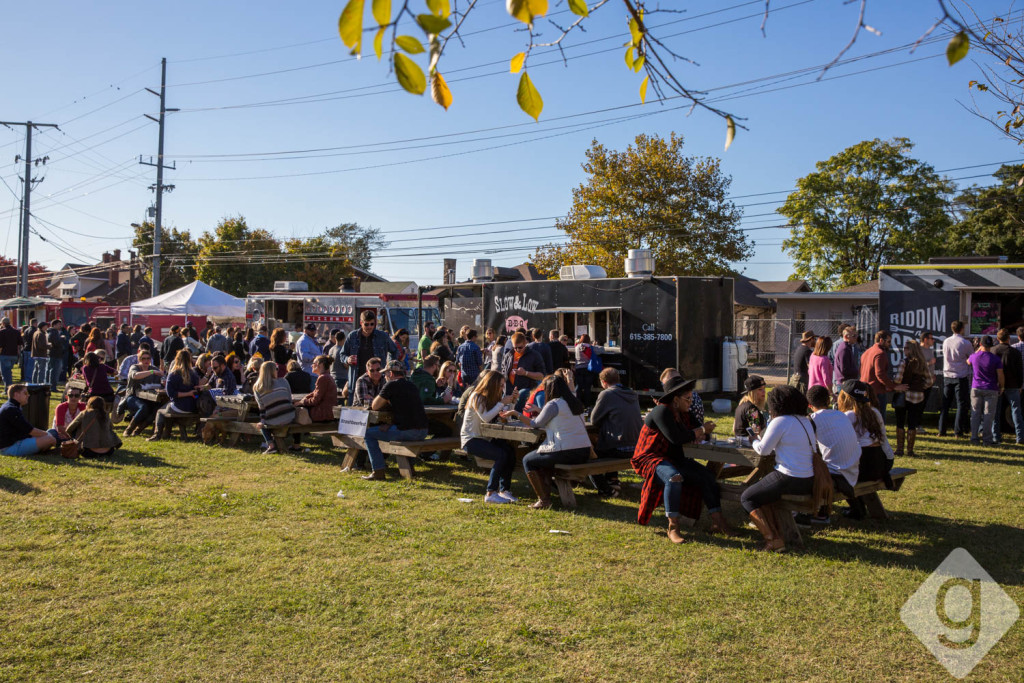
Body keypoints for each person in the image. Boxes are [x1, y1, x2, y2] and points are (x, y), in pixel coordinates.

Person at [631, 375, 731, 543]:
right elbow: (676, 438)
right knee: (674, 477)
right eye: (688, 398)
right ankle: (673, 527)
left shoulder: (685, 413)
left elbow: (698, 431)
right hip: (650, 458)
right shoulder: (661, 411)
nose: (691, 401)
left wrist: (704, 431)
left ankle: (718, 522)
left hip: (673, 458)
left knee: (707, 476)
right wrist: (700, 430)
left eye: (691, 397)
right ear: (675, 399)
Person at [742, 385, 829, 552]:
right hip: (808, 478)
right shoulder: (805, 420)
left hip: (789, 477)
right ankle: (777, 534)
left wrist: (753, 439)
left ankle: (772, 539)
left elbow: (763, 450)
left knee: (747, 497)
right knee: (764, 495)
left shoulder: (780, 421)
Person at [500, 375, 593, 509]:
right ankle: (549, 492)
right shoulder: (574, 402)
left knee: (528, 460)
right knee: (542, 458)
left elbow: (535, 423)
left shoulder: (553, 404)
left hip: (566, 450)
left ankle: (544, 500)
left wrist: (515, 413)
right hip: (583, 450)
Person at [362, 361, 429, 481]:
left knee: (368, 434)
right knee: (399, 432)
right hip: (423, 431)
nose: (384, 377)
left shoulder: (391, 385)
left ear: (391, 373)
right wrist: (391, 423)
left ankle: (378, 471)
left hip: (406, 431)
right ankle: (410, 467)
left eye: (385, 374)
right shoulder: (412, 385)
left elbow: (375, 406)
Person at [460, 370, 518, 503]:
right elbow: (486, 418)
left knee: (509, 451)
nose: (502, 388)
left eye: (503, 385)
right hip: (471, 439)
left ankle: (504, 490)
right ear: (492, 383)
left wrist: (513, 402)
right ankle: (490, 493)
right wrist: (502, 402)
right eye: (500, 385)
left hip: (485, 438)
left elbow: (503, 415)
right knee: (501, 455)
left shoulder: (492, 398)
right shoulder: (477, 396)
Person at [838, 379, 894, 517]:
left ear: (845, 397)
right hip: (881, 464)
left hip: (863, 467)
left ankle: (856, 508)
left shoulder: (848, 416)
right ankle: (858, 507)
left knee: (836, 471)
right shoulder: (875, 412)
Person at [806, 385, 861, 521]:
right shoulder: (841, 415)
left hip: (836, 475)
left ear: (809, 405)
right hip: (853, 470)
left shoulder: (812, 419)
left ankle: (820, 514)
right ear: (829, 401)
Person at [589, 367, 642, 497]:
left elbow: (594, 420)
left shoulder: (607, 394)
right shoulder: (632, 393)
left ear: (603, 382)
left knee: (589, 455)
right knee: (609, 440)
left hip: (619, 447)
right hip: (637, 447)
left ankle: (605, 489)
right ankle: (612, 479)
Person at [340, 310, 399, 401]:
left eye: (372, 324)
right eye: (366, 324)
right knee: (355, 409)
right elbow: (342, 354)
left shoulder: (382, 336)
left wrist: (389, 365)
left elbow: (395, 351)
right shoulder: (352, 336)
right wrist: (348, 359)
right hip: (357, 378)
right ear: (361, 323)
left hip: (377, 379)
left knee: (378, 408)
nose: (369, 327)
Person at [892, 339, 933, 456]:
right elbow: (929, 381)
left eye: (906, 348)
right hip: (918, 396)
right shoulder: (923, 363)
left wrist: (897, 385)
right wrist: (921, 387)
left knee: (900, 422)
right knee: (912, 424)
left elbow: (898, 379)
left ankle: (900, 449)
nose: (904, 350)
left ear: (910, 350)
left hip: (903, 395)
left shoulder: (904, 362)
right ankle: (910, 450)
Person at [149, 350, 200, 442]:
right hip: (193, 406)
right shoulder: (194, 374)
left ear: (177, 359)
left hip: (180, 406)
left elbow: (171, 394)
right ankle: (167, 434)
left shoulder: (173, 374)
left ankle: (157, 435)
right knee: (168, 407)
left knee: (160, 411)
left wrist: (186, 394)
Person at [859, 330, 906, 420]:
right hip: (877, 392)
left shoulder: (866, 352)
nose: (890, 344)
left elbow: (861, 371)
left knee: (867, 420)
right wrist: (893, 386)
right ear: (881, 340)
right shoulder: (880, 353)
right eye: (888, 341)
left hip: (865, 390)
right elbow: (880, 374)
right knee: (878, 420)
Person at [939, 320, 975, 438]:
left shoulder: (946, 341)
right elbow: (971, 358)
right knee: (961, 404)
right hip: (960, 376)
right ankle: (957, 431)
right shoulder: (965, 343)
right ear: (962, 329)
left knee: (945, 404)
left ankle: (941, 430)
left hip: (947, 375)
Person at [253, 361, 298, 454]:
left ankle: (271, 445)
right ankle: (297, 444)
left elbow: (262, 408)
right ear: (273, 371)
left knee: (262, 424)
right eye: (276, 369)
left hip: (273, 419)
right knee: (297, 412)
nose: (277, 371)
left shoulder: (257, 387)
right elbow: (289, 399)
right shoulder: (283, 381)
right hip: (289, 416)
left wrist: (262, 421)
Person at [0, 384, 58, 456]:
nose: (28, 395)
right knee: (50, 439)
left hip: (14, 442)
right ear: (16, 395)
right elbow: (31, 431)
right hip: (9, 448)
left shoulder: (10, 406)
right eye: (25, 393)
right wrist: (49, 435)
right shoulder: (11, 409)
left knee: (51, 432)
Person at [967, 335, 1005, 446]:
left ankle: (974, 438)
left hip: (976, 388)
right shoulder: (995, 359)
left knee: (975, 414)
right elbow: (1000, 375)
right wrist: (1002, 386)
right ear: (991, 346)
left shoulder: (974, 357)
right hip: (991, 389)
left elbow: (967, 362)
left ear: (980, 344)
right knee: (988, 415)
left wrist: (978, 350)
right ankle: (987, 440)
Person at [991, 328, 1024, 445]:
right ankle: (1020, 437)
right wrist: (1020, 385)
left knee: (995, 411)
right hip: (1013, 384)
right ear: (1008, 338)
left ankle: (996, 436)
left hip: (996, 385)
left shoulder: (993, 350)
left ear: (998, 339)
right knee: (1016, 411)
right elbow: (1019, 371)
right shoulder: (1015, 352)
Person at [122, 348, 164, 437]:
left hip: (149, 396)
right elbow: (135, 376)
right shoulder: (135, 367)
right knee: (144, 407)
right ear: (139, 359)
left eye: (148, 358)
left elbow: (161, 379)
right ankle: (129, 430)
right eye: (143, 358)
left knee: (158, 409)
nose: (146, 361)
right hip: (133, 396)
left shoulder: (153, 368)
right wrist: (151, 372)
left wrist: (163, 379)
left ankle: (139, 430)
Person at [502, 331, 545, 411]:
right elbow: (503, 370)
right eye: (515, 347)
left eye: (520, 347)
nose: (517, 350)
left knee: (518, 413)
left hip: (525, 391)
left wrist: (525, 373)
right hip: (509, 390)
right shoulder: (509, 354)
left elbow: (541, 375)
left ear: (525, 343)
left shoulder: (534, 355)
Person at [294, 355, 338, 423]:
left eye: (314, 363)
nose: (312, 365)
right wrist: (302, 400)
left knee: (297, 412)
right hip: (328, 412)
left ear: (321, 365)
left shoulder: (323, 378)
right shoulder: (327, 376)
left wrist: (303, 402)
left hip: (323, 414)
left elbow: (315, 400)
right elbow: (314, 393)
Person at [573, 333, 601, 407]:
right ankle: (587, 405)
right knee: (587, 388)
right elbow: (601, 350)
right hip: (588, 369)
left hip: (578, 368)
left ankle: (577, 404)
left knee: (578, 387)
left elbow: (576, 344)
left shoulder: (577, 347)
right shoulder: (590, 347)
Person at [832, 326, 859, 392]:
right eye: (854, 336)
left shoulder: (847, 347)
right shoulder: (844, 349)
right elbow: (844, 369)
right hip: (845, 384)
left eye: (856, 335)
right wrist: (856, 372)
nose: (856, 338)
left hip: (846, 382)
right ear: (846, 337)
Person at [0, 316, 23, 387]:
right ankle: (9, 387)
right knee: (9, 372)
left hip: (4, 354)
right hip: (14, 355)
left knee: (5, 373)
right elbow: (20, 343)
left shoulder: (2, 332)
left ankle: (8, 388)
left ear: (3, 323)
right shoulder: (16, 331)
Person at [47, 320, 68, 392]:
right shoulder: (53, 332)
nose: (60, 326)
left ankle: (52, 386)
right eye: (59, 324)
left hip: (56, 354)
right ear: (54, 325)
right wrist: (62, 338)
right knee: (54, 371)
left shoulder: (54, 332)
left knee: (54, 371)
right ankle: (52, 387)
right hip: (55, 354)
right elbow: (55, 342)